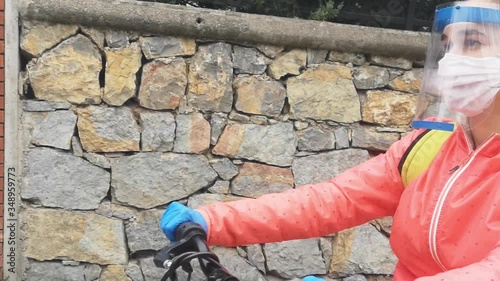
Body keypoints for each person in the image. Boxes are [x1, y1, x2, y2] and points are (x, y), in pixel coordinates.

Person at [160, 0, 500, 280]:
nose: (451, 60)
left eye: (472, 42)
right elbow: (336, 200)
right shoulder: (431, 145)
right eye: (448, 45)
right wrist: (214, 220)